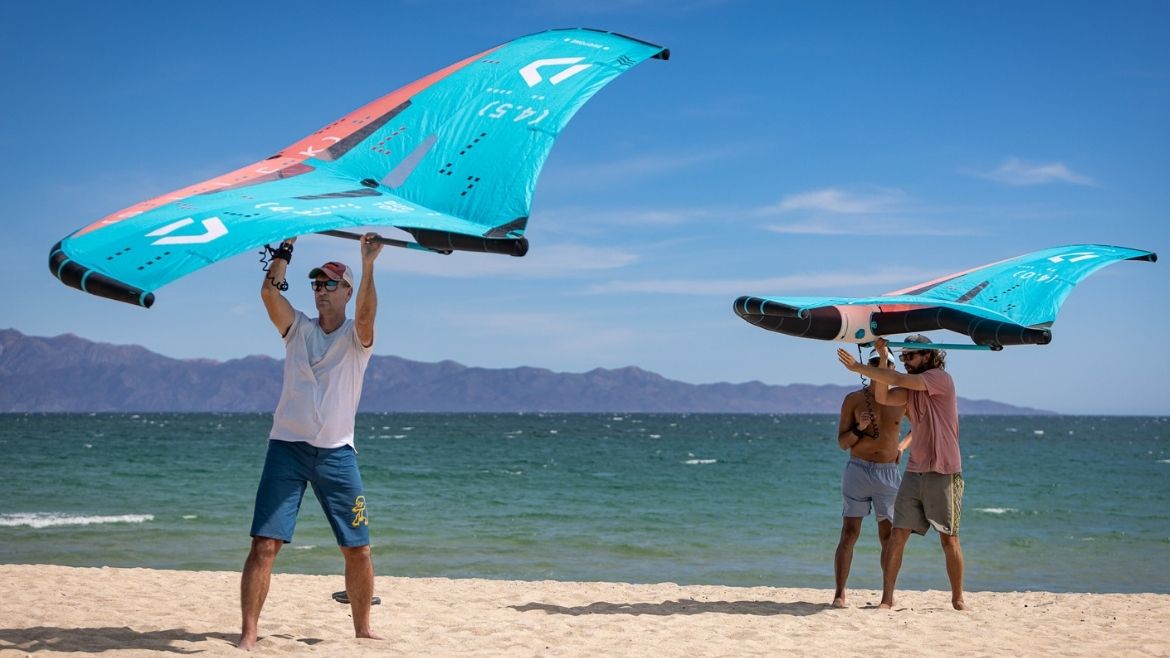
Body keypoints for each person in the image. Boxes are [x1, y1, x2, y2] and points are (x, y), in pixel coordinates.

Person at [238, 233, 385, 650]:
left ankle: (362, 628)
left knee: (358, 548)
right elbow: (269, 293)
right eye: (317, 284)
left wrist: (369, 262)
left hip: (338, 454)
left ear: (347, 291)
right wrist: (285, 250)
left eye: (330, 283)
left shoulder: (356, 340)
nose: (321, 289)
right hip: (287, 448)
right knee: (264, 544)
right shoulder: (297, 329)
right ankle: (249, 634)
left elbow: (367, 317)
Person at [836, 334, 966, 611]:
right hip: (913, 470)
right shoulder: (909, 390)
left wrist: (859, 368)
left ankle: (957, 598)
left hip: (943, 470)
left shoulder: (939, 379)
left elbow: (897, 381)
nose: (906, 362)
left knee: (949, 538)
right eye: (903, 357)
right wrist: (883, 358)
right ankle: (887, 600)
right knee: (897, 535)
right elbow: (883, 394)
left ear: (928, 356)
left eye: (910, 356)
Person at [832, 349, 912, 608]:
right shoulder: (854, 399)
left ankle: (887, 597)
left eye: (886, 362)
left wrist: (901, 447)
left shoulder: (902, 399)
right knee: (849, 532)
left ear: (892, 365)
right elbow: (843, 443)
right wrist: (860, 428)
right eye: (876, 362)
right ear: (869, 365)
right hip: (858, 469)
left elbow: (922, 428)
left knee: (888, 535)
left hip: (887, 472)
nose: (882, 366)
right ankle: (839, 594)